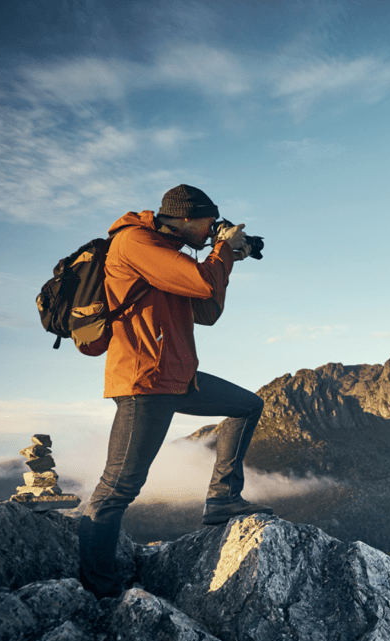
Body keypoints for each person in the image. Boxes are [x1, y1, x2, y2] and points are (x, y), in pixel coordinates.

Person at [78, 184, 272, 599]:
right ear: (185, 218)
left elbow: (207, 311)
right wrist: (220, 252)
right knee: (117, 488)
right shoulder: (135, 242)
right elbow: (203, 285)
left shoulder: (171, 256)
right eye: (208, 223)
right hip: (145, 381)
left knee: (246, 406)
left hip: (179, 377)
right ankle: (99, 589)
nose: (212, 231)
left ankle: (222, 499)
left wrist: (228, 259)